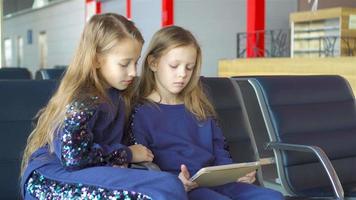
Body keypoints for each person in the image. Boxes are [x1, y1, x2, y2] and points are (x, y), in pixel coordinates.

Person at [20, 14, 187, 200]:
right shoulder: (83, 98)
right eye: (124, 64)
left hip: (87, 173)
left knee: (169, 184)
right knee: (166, 188)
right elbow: (74, 157)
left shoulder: (119, 93)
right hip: (52, 181)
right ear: (97, 60)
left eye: (136, 62)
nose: (133, 71)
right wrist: (127, 154)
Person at [131, 25, 284, 200]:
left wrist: (235, 174)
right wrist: (173, 183)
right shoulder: (141, 112)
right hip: (183, 188)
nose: (182, 74)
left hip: (218, 182)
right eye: (174, 66)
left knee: (274, 197)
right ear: (153, 63)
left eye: (189, 67)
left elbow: (219, 149)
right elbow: (143, 167)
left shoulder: (198, 105)